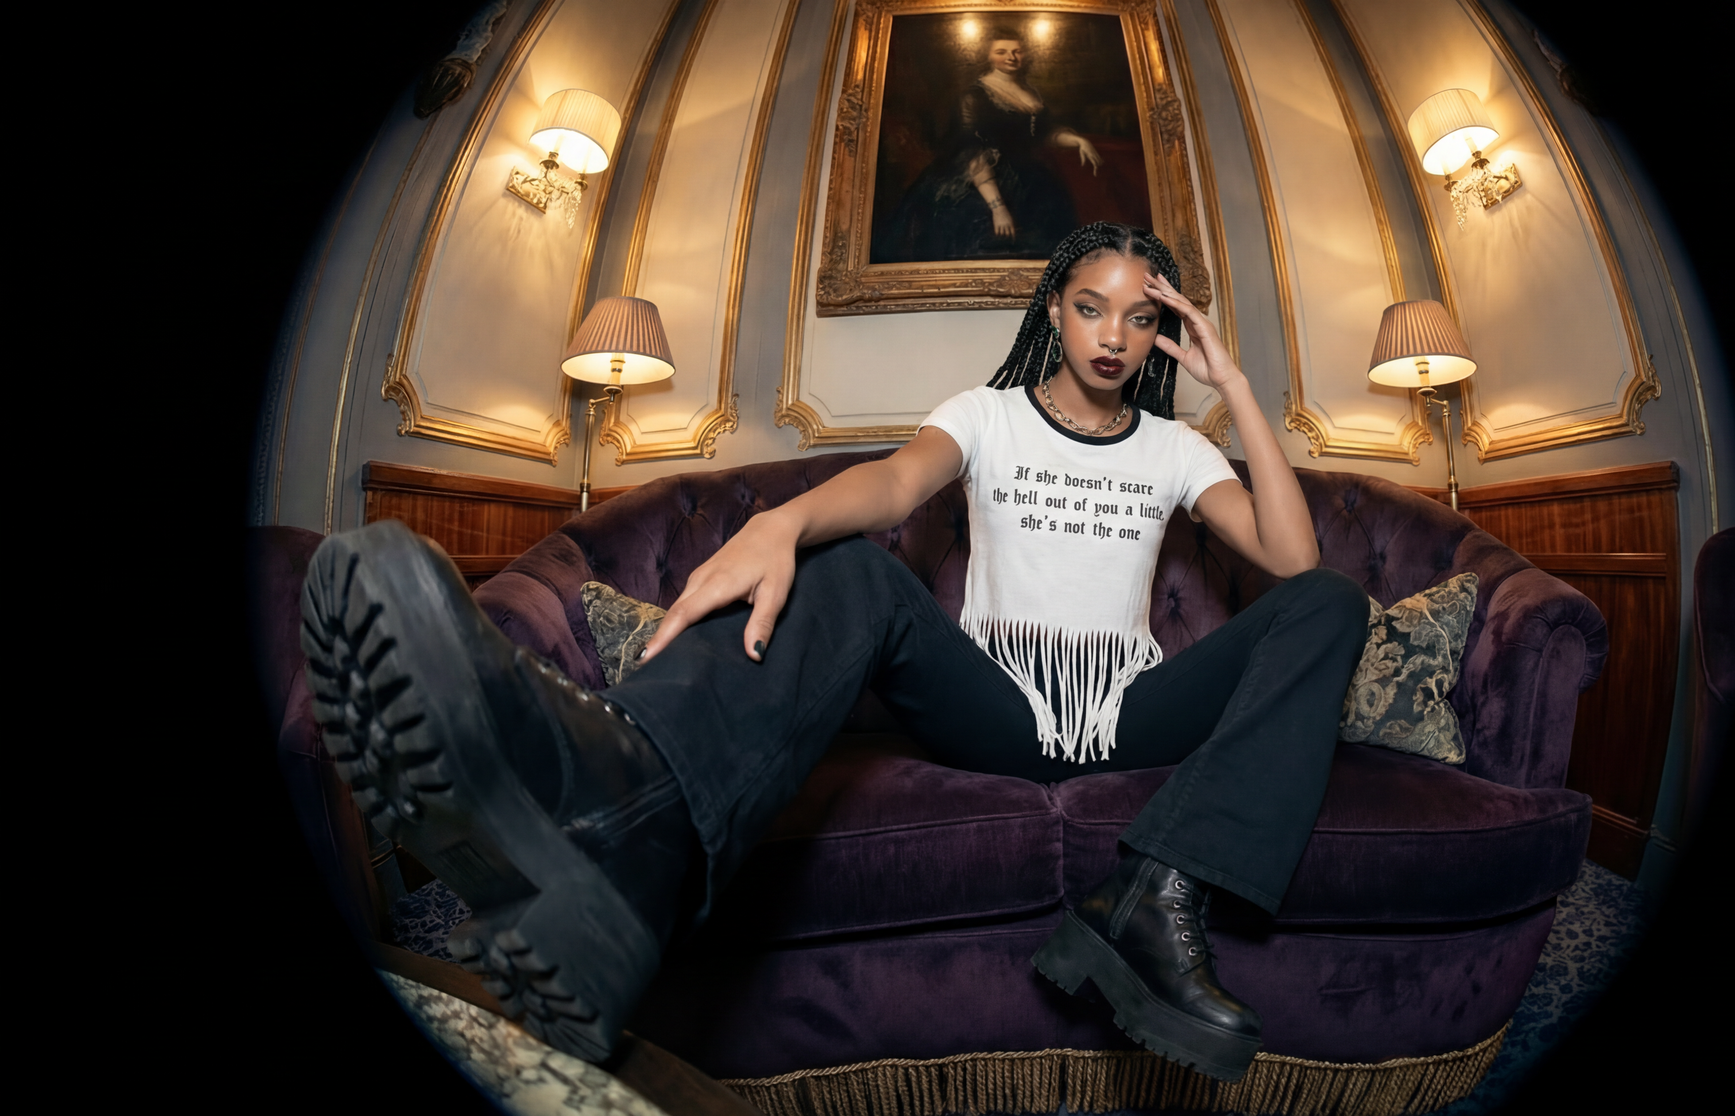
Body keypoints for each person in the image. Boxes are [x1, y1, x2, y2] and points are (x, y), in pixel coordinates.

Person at [302, 223, 1369, 1082]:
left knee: (1328, 604)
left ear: (1156, 337)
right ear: (1053, 309)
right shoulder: (987, 417)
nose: (1111, 336)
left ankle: (1151, 898)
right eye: (1090, 307)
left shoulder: (1176, 448)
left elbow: (1291, 554)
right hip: (994, 709)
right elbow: (899, 488)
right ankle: (621, 820)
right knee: (858, 568)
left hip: (1130, 721)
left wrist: (1230, 391)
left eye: (1139, 320)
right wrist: (784, 523)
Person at [874, 29, 1103, 262]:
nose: (1011, 57)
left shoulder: (1030, 92)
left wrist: (1077, 140)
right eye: (1001, 51)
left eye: (1017, 51)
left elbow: (1042, 134)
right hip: (980, 179)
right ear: (988, 56)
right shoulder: (975, 97)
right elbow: (972, 152)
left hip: (1030, 179)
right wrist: (997, 207)